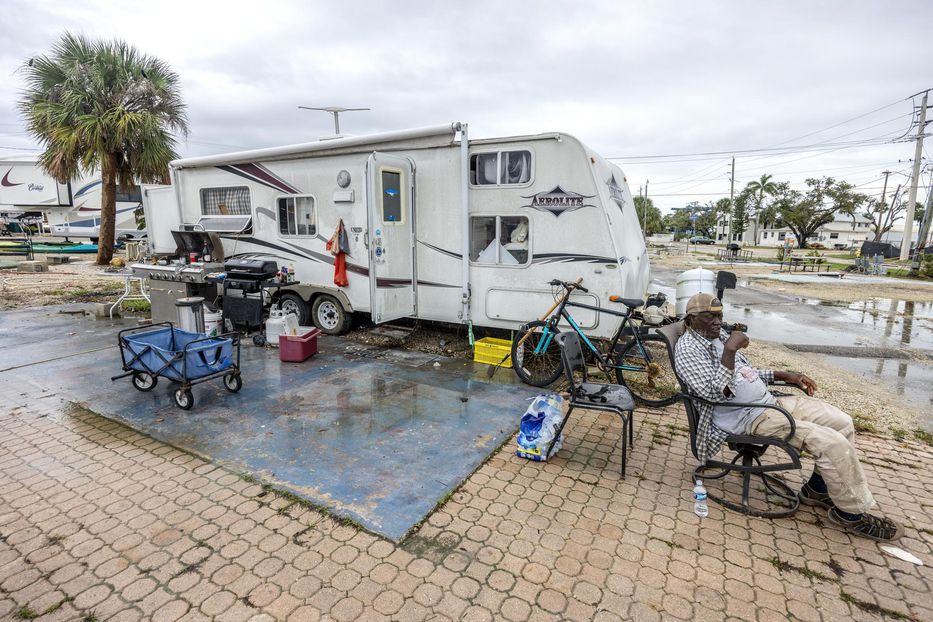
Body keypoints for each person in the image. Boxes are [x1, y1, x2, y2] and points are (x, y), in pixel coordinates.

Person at [674, 292, 901, 541]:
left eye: (720, 315)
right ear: (692, 318)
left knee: (842, 422)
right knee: (831, 442)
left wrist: (783, 375)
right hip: (748, 418)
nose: (718, 322)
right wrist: (730, 349)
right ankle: (851, 513)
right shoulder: (688, 349)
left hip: (770, 403)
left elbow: (745, 373)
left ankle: (817, 489)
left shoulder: (716, 335)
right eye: (710, 317)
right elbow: (716, 394)